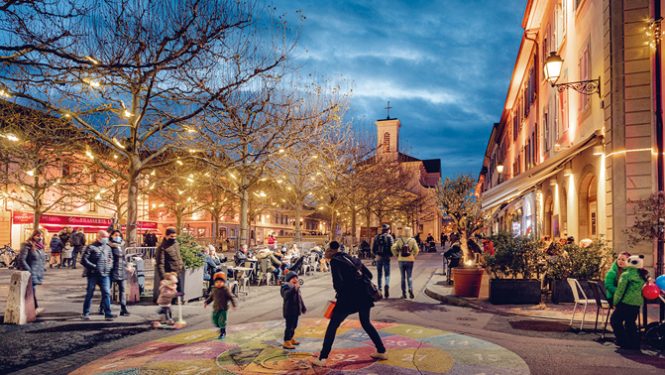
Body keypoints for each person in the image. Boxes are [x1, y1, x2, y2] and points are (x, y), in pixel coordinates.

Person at [312, 241, 386, 367]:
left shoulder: (335, 262)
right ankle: (381, 350)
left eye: (326, 251)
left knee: (333, 325)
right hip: (364, 295)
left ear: (331, 251)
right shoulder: (351, 258)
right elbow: (369, 274)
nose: (325, 253)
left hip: (348, 299)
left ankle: (323, 358)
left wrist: (341, 297)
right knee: (366, 323)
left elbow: (338, 284)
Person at [610, 255, 648, 351]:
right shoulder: (643, 275)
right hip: (636, 303)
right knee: (630, 323)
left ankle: (623, 341)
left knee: (615, 320)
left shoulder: (626, 274)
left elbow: (620, 291)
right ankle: (634, 344)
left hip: (625, 302)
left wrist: (615, 302)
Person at [81, 230, 115, 321]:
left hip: (105, 274)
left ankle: (108, 313)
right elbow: (84, 260)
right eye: (104, 237)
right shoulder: (91, 247)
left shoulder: (108, 248)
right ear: (99, 237)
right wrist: (94, 267)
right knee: (89, 293)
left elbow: (111, 258)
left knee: (106, 293)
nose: (106, 239)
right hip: (93, 274)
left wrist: (109, 266)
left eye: (107, 237)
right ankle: (85, 313)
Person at [19, 229, 46, 309]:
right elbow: (22, 259)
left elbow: (41, 260)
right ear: (33, 236)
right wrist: (28, 270)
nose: (40, 238)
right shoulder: (27, 245)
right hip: (31, 272)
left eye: (41, 236)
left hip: (37, 272)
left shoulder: (40, 247)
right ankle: (33, 308)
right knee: (31, 290)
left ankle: (31, 308)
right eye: (38, 236)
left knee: (31, 290)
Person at [204, 272, 236, 339]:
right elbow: (211, 297)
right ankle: (220, 327)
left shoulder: (225, 290)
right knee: (215, 320)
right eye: (217, 282)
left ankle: (222, 332)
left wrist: (233, 305)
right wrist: (206, 302)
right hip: (216, 308)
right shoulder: (214, 289)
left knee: (222, 321)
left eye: (220, 282)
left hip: (223, 308)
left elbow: (231, 297)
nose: (219, 283)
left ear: (223, 283)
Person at [391, 226, 419, 299]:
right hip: (410, 260)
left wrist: (397, 255)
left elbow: (393, 248)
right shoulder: (412, 240)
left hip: (401, 260)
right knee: (409, 276)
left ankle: (404, 294)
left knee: (402, 277)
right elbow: (417, 250)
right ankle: (410, 289)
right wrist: (413, 255)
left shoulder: (399, 240)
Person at [155, 227, 184, 298]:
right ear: (166, 236)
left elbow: (178, 256)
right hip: (170, 274)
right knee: (168, 296)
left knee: (179, 293)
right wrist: (163, 277)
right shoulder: (162, 248)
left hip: (178, 272)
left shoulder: (176, 244)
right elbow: (160, 264)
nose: (173, 238)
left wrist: (181, 265)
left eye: (175, 236)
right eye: (171, 236)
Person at [107, 230, 129, 316]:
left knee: (123, 290)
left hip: (122, 270)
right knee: (107, 291)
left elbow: (124, 258)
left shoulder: (122, 245)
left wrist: (127, 266)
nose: (117, 236)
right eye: (115, 235)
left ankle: (123, 309)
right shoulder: (108, 246)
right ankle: (103, 307)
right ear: (111, 236)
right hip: (112, 270)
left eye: (119, 235)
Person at [281, 271, 306, 349]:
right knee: (289, 326)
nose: (295, 279)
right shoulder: (285, 287)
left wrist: (303, 306)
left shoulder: (296, 287)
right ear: (289, 279)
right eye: (293, 278)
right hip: (289, 311)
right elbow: (286, 295)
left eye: (296, 278)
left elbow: (299, 297)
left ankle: (291, 338)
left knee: (294, 326)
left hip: (296, 310)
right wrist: (294, 288)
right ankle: (286, 341)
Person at [371, 224, 394, 298]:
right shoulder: (389, 237)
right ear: (388, 229)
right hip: (386, 257)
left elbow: (373, 248)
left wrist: (376, 255)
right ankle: (386, 285)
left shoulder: (377, 237)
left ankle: (380, 289)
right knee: (387, 274)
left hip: (379, 257)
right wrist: (390, 255)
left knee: (379, 274)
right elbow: (392, 247)